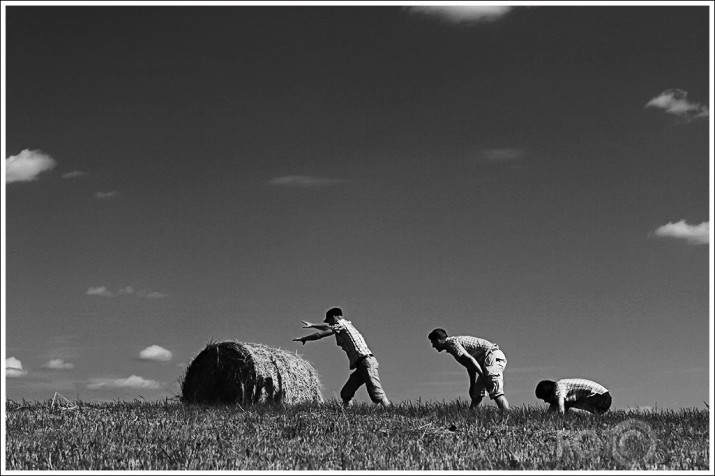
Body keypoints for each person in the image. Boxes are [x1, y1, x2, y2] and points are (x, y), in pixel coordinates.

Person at [293, 307, 391, 407]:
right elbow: (327, 328)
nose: (329, 323)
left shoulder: (340, 325)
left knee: (376, 391)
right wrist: (313, 325)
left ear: (334, 317)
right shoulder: (345, 324)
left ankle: (388, 409)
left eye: (330, 320)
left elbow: (320, 334)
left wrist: (304, 338)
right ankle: (348, 410)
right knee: (346, 393)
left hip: (367, 362)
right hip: (361, 365)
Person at [427, 328, 509, 411]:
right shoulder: (452, 345)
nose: (433, 346)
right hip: (487, 362)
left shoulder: (452, 343)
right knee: (476, 393)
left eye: (433, 342)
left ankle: (508, 417)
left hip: (492, 357)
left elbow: (471, 359)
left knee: (494, 389)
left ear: (438, 340)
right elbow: (470, 365)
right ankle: (473, 418)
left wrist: (483, 377)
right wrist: (472, 385)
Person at [535, 378, 612, 415]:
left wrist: (561, 416)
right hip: (602, 398)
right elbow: (553, 407)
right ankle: (596, 416)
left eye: (544, 398)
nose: (545, 401)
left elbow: (561, 404)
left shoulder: (559, 386)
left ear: (549, 393)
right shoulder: (559, 390)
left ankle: (594, 416)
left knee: (569, 408)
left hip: (601, 398)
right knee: (567, 404)